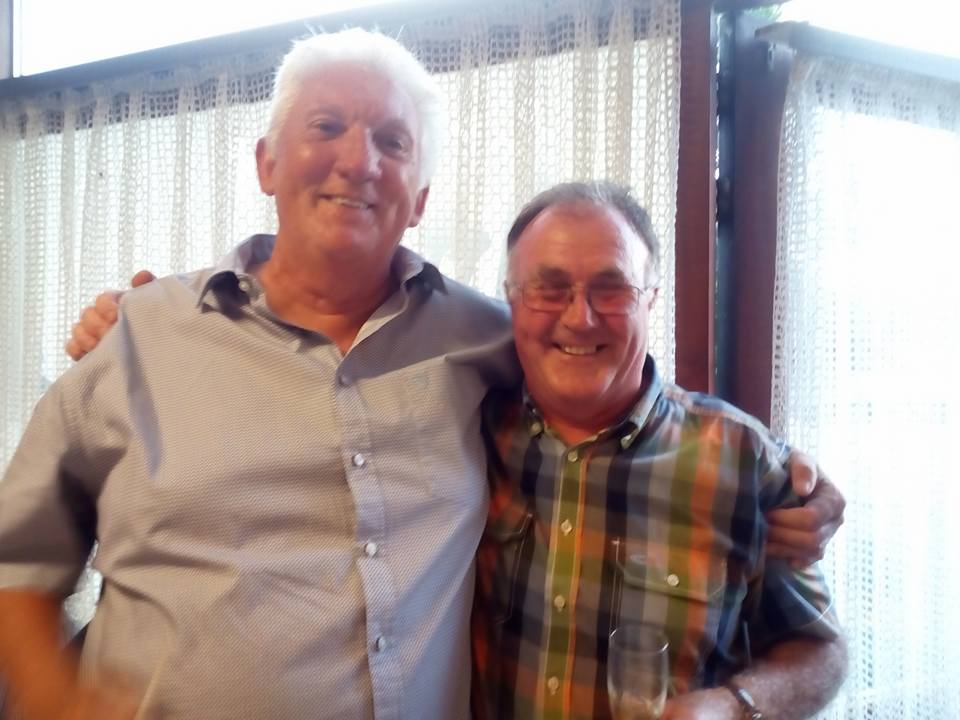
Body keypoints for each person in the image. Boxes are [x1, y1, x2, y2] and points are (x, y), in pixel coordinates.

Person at [1, 30, 842, 720]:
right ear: (266, 163)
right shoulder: (143, 337)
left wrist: (793, 483)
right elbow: (17, 565)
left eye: (392, 142)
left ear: (423, 194)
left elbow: (603, 375)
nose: (358, 161)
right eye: (326, 125)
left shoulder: (481, 339)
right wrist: (52, 700)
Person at [471, 181, 846, 720]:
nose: (579, 317)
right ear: (511, 298)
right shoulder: (469, 429)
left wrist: (736, 705)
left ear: (650, 298)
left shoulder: (741, 460)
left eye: (612, 289)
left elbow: (821, 649)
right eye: (549, 288)